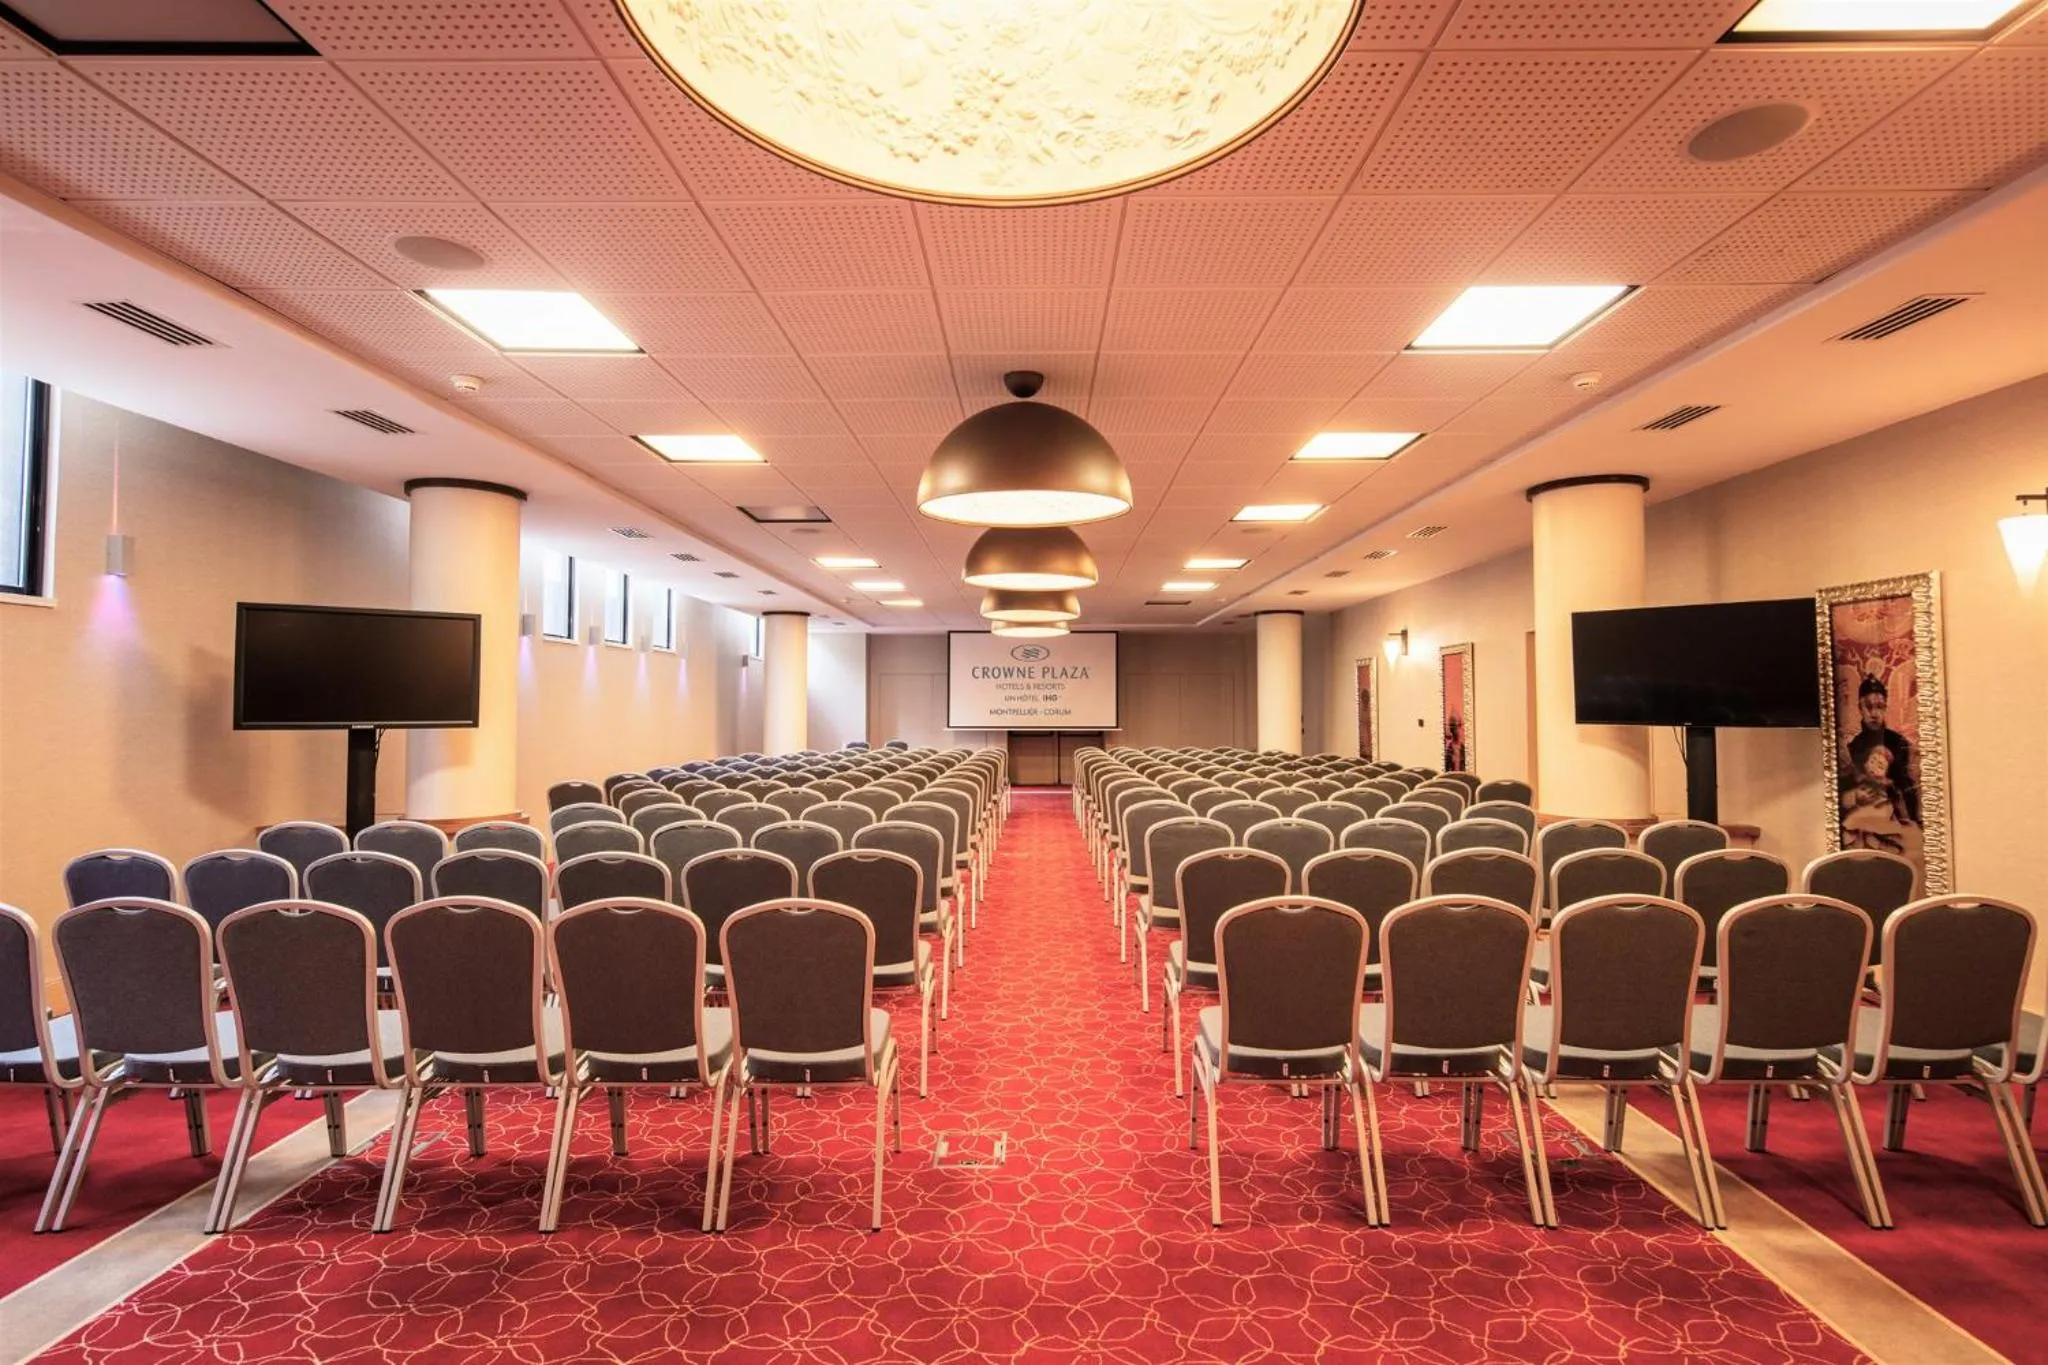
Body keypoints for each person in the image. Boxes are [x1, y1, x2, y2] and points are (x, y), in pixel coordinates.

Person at [1839, 672, 1919, 855]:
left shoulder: (1899, 743)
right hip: (1861, 813)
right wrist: (1856, 796)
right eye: (1868, 707)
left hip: (1892, 812)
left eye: (1880, 707)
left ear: (1885, 708)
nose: (1874, 713)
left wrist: (1913, 818)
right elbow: (1846, 786)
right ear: (1860, 708)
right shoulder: (1852, 747)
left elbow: (1906, 784)